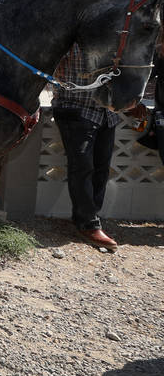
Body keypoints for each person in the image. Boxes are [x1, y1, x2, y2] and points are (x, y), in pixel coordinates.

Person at [52, 45, 123, 250]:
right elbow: (49, 64)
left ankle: (90, 217)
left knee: (101, 169)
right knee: (82, 168)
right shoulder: (72, 39)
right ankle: (88, 224)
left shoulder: (113, 40)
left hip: (106, 113)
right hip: (75, 109)